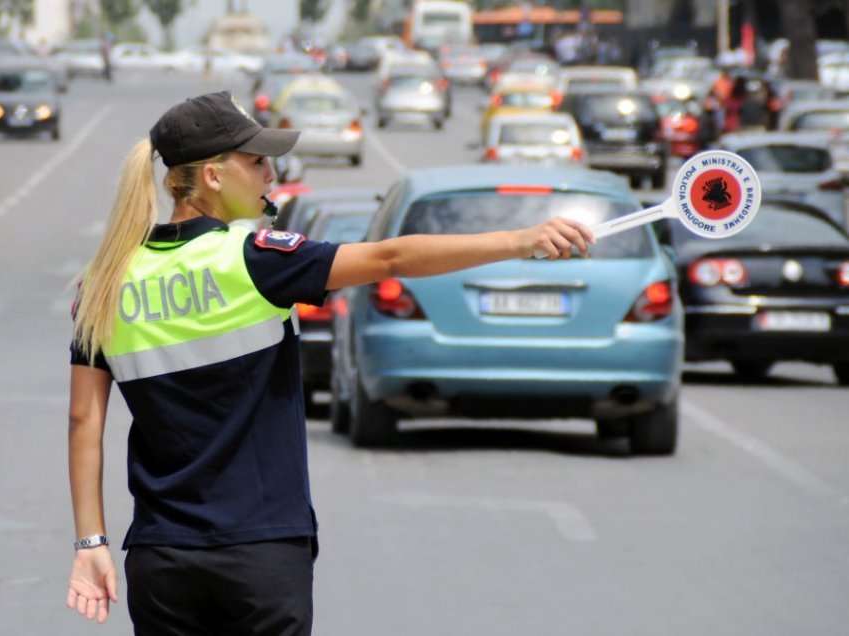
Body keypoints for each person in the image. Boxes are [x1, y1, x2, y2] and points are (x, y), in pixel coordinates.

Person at [65, 91, 594, 635]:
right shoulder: (252, 259)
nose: (271, 173)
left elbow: (85, 422)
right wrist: (518, 240)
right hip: (261, 552)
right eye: (257, 162)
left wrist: (90, 543)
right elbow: (389, 256)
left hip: (160, 558)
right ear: (214, 178)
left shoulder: (104, 283)